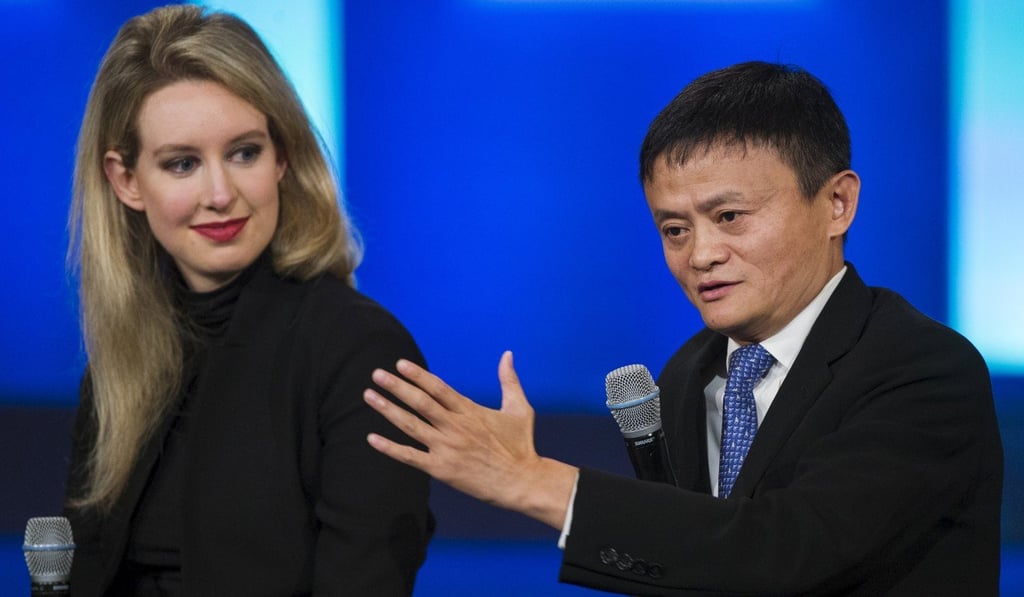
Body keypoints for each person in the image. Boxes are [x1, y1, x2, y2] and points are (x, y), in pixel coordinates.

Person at [364, 61, 1003, 595]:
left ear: (837, 203)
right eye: (674, 229)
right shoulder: (687, 373)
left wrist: (532, 479)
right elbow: (694, 564)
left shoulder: (922, 369)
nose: (700, 255)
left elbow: (788, 550)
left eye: (730, 217)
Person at [63, 5, 433, 596]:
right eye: (182, 163)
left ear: (281, 156)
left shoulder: (362, 353)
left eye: (244, 153)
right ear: (126, 180)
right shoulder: (121, 364)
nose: (220, 194)